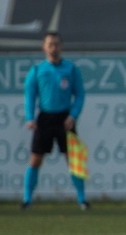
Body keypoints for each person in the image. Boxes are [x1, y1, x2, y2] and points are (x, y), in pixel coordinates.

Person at [22, 31, 87, 210]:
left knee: (73, 160)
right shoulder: (37, 70)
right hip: (44, 118)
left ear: (61, 46)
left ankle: (82, 200)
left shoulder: (71, 69)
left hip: (65, 118)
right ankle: (27, 199)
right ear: (44, 47)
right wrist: (30, 117)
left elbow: (80, 94)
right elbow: (30, 95)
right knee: (35, 159)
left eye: (56, 44)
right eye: (50, 44)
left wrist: (73, 115)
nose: (53, 48)